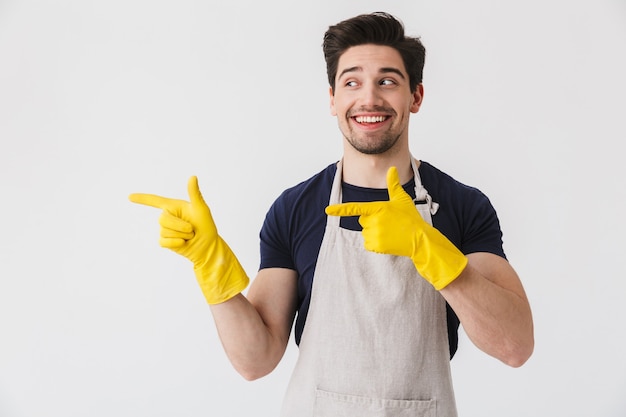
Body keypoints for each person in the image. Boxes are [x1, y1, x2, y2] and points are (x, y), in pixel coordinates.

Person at [129, 11, 534, 417]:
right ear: (333, 100)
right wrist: (210, 264)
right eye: (352, 82)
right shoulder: (295, 208)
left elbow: (515, 346)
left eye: (388, 81)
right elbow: (255, 361)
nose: (369, 98)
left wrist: (435, 254)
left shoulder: (463, 206)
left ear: (416, 97)